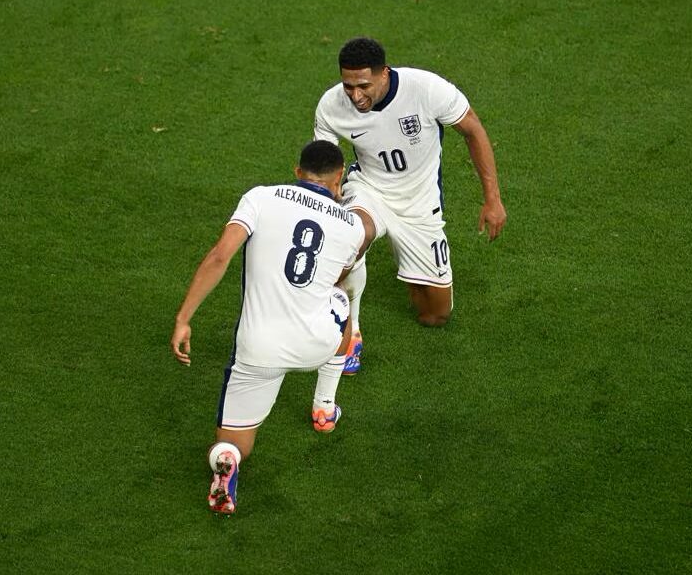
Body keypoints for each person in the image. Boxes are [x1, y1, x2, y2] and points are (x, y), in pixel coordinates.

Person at [171, 140, 367, 515]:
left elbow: (219, 256)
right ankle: (324, 407)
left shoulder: (260, 197)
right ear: (339, 177)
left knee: (234, 445)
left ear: (297, 171)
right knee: (340, 298)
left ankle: (226, 461)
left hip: (258, 349)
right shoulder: (352, 226)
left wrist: (183, 318)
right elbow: (336, 274)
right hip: (316, 342)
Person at [313, 37, 507, 374]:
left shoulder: (427, 90)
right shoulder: (331, 105)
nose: (355, 96)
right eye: (348, 86)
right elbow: (324, 166)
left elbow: (473, 130)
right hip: (369, 189)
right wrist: (328, 209)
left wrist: (493, 199)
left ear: (384, 73)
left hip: (420, 205)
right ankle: (347, 329)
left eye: (364, 86)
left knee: (435, 315)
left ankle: (411, 268)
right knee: (354, 236)